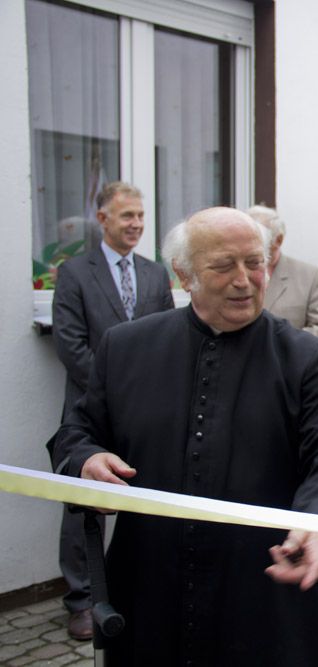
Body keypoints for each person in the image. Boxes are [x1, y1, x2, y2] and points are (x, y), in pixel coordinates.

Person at [51, 207, 318, 665]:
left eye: (254, 263)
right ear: (184, 274)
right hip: (152, 587)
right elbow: (76, 432)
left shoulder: (303, 356)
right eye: (223, 266)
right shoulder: (124, 347)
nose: (244, 280)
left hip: (267, 586)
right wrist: (86, 461)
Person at [50, 181, 174, 640]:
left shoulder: (155, 274)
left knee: (152, 492)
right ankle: (82, 600)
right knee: (84, 502)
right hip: (92, 406)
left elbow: (169, 336)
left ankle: (145, 586)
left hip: (149, 407)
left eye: (140, 215)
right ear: (102, 219)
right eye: (127, 216)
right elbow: (70, 345)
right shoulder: (74, 272)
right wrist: (117, 390)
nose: (137, 224)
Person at [246, 205, 318, 345]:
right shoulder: (231, 273)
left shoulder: (309, 276)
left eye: (258, 237)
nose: (247, 244)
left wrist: (279, 341)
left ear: (278, 240)